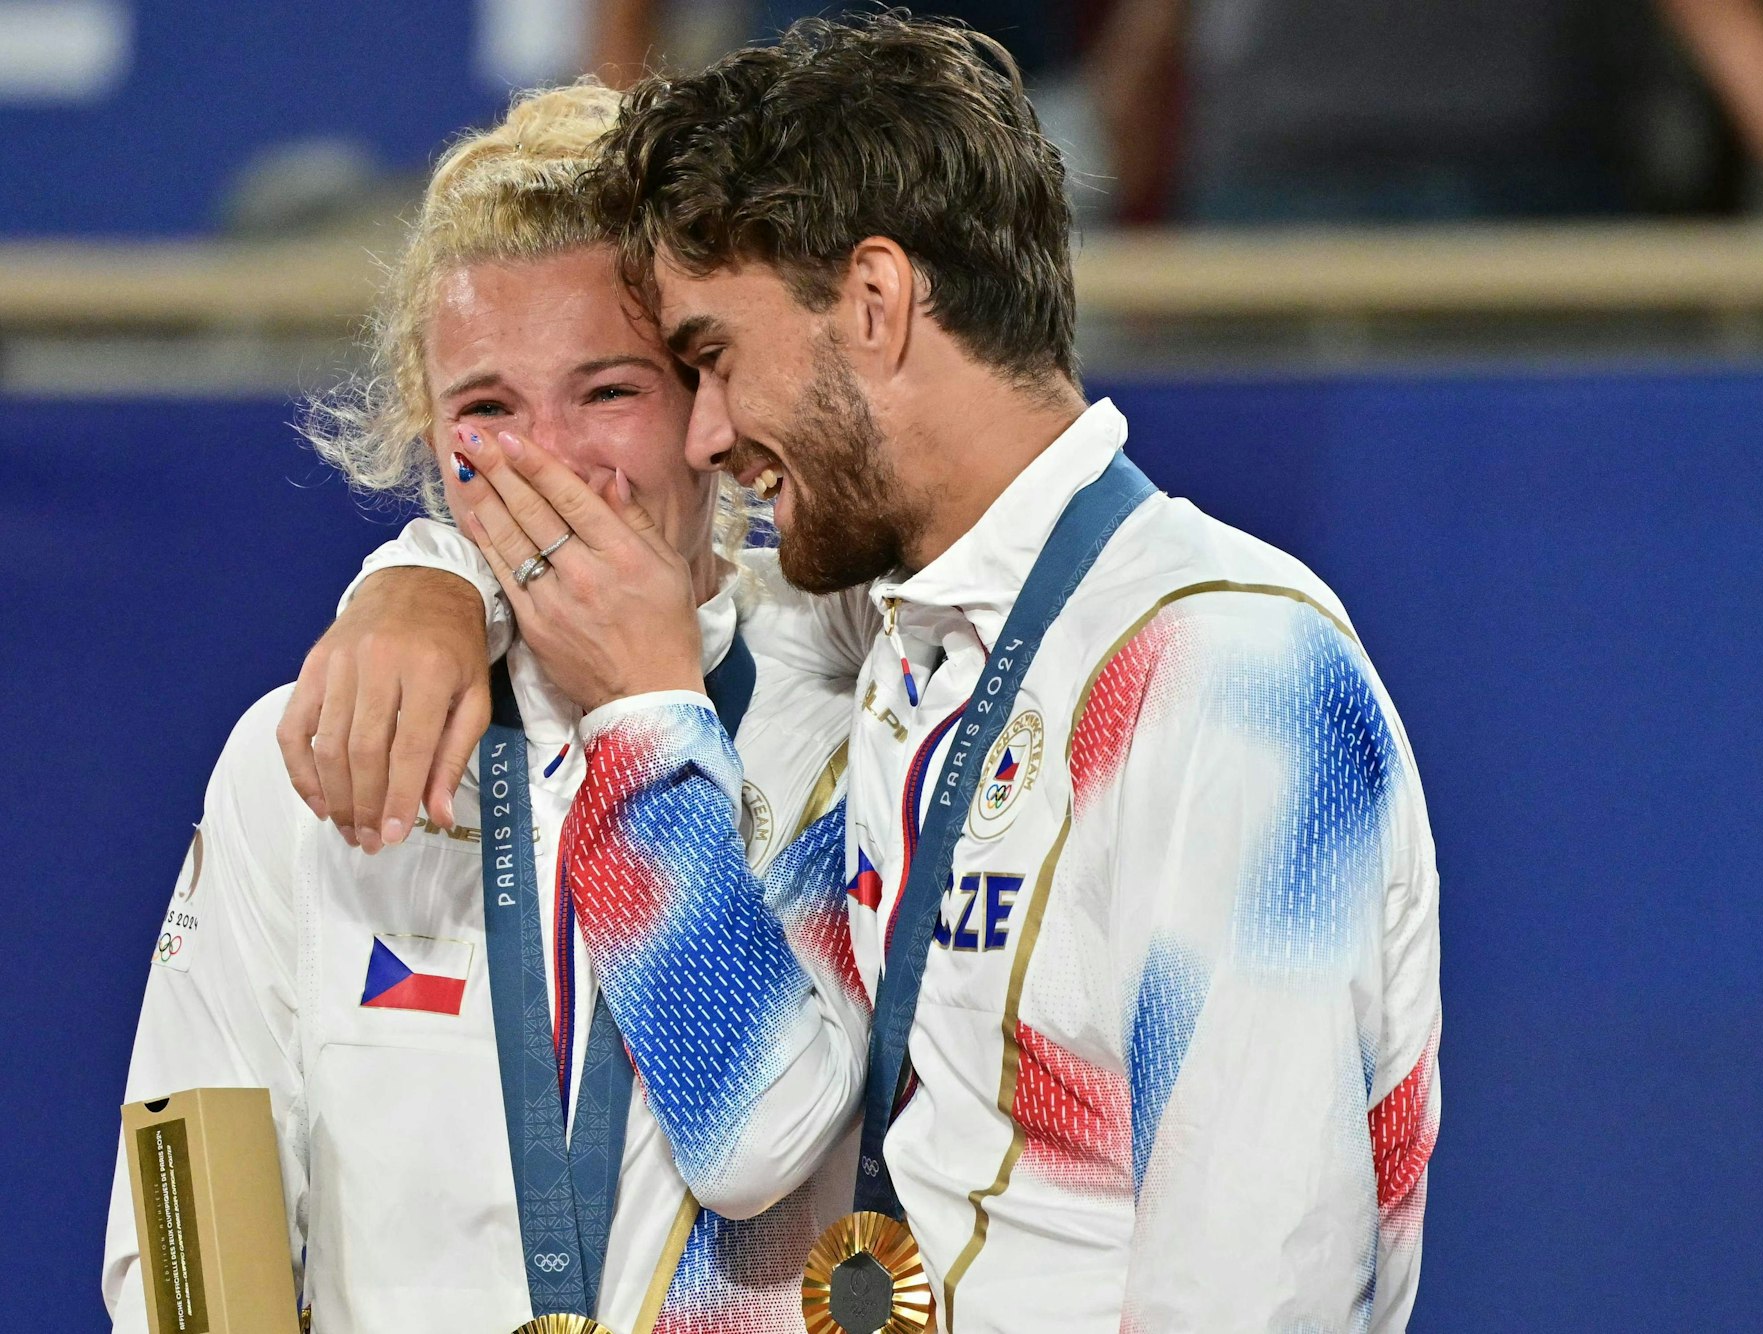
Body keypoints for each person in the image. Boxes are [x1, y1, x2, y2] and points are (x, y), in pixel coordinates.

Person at [293, 14, 1443, 1330]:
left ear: (878, 304)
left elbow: (1256, 1287)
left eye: (714, 358)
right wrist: (427, 573)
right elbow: (625, 555)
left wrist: (611, 688)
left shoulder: (1221, 668)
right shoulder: (893, 632)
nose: (710, 433)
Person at [103, 81, 879, 1334]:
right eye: (487, 411)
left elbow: (757, 1133)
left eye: (610, 391)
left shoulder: (853, 720)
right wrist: (431, 572)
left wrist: (637, 701)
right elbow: (181, 1247)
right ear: (427, 431)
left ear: (708, 405)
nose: (550, 464)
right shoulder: (305, 756)